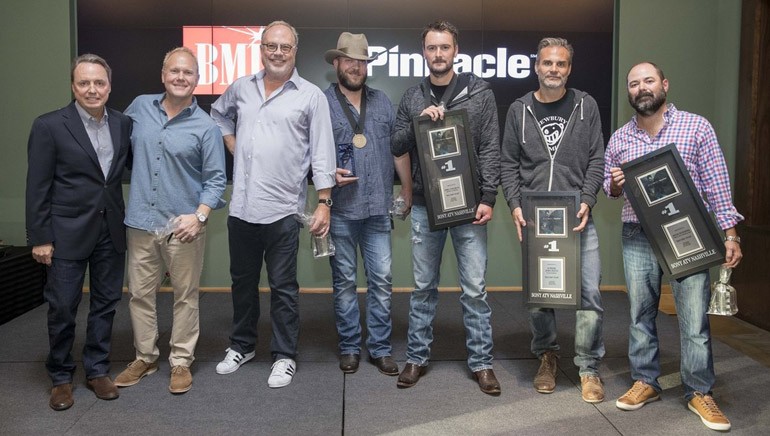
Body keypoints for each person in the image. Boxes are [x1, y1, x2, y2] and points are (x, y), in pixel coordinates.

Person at [605, 61, 743, 431]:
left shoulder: (696, 127)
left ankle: (699, 391)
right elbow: (610, 188)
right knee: (639, 313)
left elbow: (716, 184)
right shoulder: (620, 138)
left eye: (648, 81)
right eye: (634, 84)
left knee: (694, 318)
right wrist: (617, 183)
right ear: (629, 93)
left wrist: (730, 234)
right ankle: (645, 382)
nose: (641, 88)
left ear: (664, 84)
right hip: (637, 233)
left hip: (689, 235)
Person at [210, 20, 336, 388]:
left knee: (283, 287)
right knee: (242, 283)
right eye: (271, 46)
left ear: (295, 51)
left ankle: (283, 356)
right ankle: (242, 345)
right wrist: (231, 142)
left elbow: (323, 153)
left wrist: (324, 201)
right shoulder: (240, 88)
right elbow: (218, 115)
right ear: (261, 48)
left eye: (285, 47)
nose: (277, 52)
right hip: (242, 209)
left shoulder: (310, 95)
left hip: (283, 210)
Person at [391, 20, 501, 395]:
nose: (438, 54)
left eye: (444, 48)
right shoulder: (412, 96)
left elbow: (489, 147)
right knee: (423, 287)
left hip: (470, 207)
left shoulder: (479, 93)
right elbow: (396, 143)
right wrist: (419, 120)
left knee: (474, 289)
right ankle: (417, 357)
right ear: (424, 52)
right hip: (425, 206)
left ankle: (482, 363)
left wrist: (488, 198)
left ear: (456, 51)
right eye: (431, 48)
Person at [500, 37, 606, 403]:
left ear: (569, 69)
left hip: (577, 215)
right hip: (535, 217)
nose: (554, 70)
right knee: (539, 295)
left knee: (589, 292)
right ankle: (546, 355)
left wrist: (589, 199)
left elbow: (597, 158)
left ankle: (589, 367)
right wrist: (514, 204)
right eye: (547, 63)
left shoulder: (585, 106)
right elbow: (507, 163)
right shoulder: (519, 109)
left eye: (561, 64)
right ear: (537, 67)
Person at [114, 47, 226, 394]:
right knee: (139, 295)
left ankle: (180, 361)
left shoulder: (206, 127)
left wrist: (199, 217)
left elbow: (216, 179)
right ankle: (145, 358)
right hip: (141, 223)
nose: (180, 78)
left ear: (197, 79)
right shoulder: (138, 108)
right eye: (174, 71)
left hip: (184, 228)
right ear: (164, 76)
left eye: (188, 73)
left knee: (185, 296)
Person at [25, 54, 132, 410]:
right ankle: (60, 376)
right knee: (62, 308)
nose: (92, 89)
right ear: (73, 86)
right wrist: (40, 237)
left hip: (111, 231)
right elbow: (37, 186)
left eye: (99, 82)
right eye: (84, 83)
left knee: (105, 305)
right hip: (65, 233)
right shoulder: (50, 125)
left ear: (109, 86)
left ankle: (97, 369)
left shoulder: (123, 124)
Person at [322, 32, 412, 375]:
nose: (356, 67)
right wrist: (326, 174)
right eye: (349, 61)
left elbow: (397, 149)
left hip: (378, 208)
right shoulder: (322, 103)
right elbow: (310, 151)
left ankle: (379, 348)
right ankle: (348, 347)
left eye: (361, 62)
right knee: (344, 282)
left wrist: (406, 188)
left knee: (382, 281)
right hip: (341, 209)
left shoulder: (383, 102)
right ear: (337, 63)